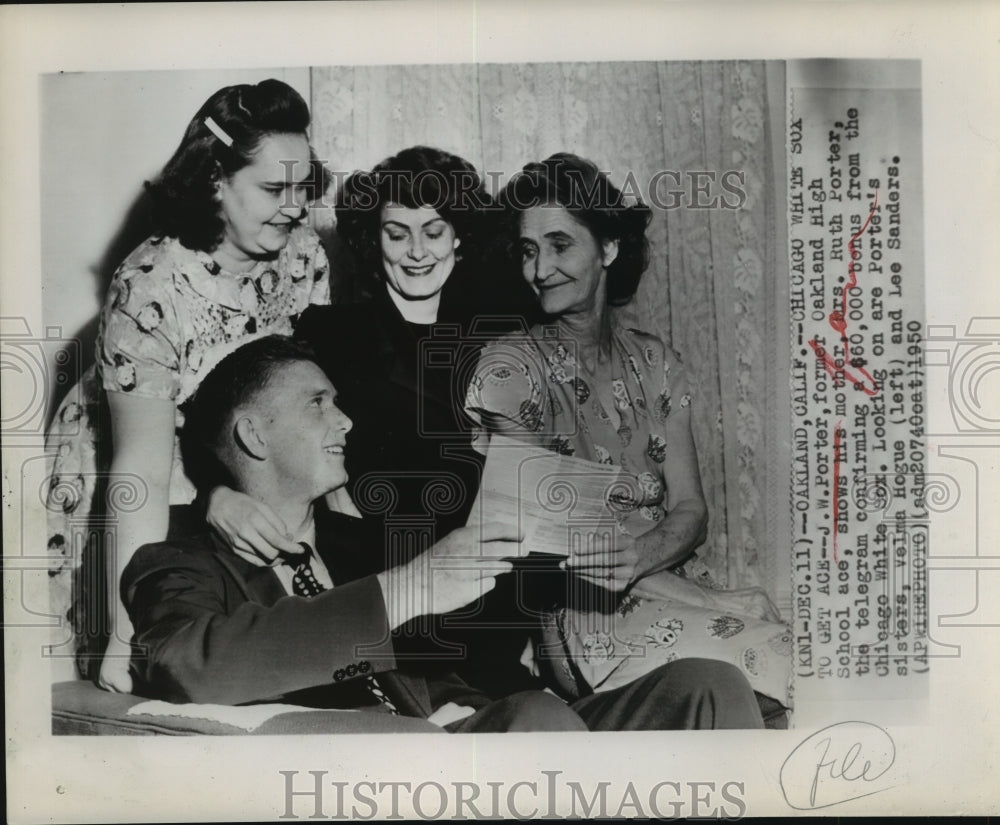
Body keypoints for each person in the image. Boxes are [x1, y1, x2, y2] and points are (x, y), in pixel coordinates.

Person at [126, 334, 763, 732]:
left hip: (478, 729)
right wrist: (412, 586)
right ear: (252, 434)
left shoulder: (360, 546)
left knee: (706, 686)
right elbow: (187, 666)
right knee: (535, 719)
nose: (346, 420)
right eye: (317, 403)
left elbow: (466, 661)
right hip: (393, 771)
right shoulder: (178, 559)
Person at [209, 147, 541, 695]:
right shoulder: (328, 333)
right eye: (396, 233)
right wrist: (220, 493)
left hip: (489, 590)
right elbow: (250, 431)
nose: (415, 252)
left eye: (433, 232)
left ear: (459, 237)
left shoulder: (503, 331)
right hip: (376, 584)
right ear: (373, 238)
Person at [464, 153, 780, 713]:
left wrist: (705, 592)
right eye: (529, 251)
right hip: (587, 618)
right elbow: (562, 549)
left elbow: (691, 511)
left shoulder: (656, 363)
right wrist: (717, 599)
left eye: (560, 245)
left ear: (608, 248)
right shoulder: (509, 370)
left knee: (804, 664)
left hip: (676, 590)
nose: (540, 270)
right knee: (790, 662)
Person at [45, 79, 332, 694]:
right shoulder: (148, 286)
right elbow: (143, 469)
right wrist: (131, 632)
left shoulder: (302, 254)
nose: (295, 206)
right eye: (274, 188)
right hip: (135, 469)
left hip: (231, 464)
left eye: (303, 186)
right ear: (214, 183)